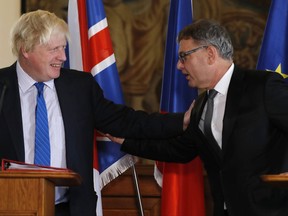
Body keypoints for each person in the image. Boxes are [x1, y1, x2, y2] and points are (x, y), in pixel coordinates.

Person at [0, 10, 191, 216]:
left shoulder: (80, 86)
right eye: (54, 49)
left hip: (72, 209)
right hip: (12, 206)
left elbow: (125, 121)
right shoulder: (2, 88)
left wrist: (181, 121)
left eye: (64, 48)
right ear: (26, 49)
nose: (63, 57)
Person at [108, 19, 288, 216]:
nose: (178, 65)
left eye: (184, 57)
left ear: (210, 54)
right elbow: (178, 150)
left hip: (273, 210)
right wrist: (126, 141)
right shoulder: (201, 105)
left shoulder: (262, 87)